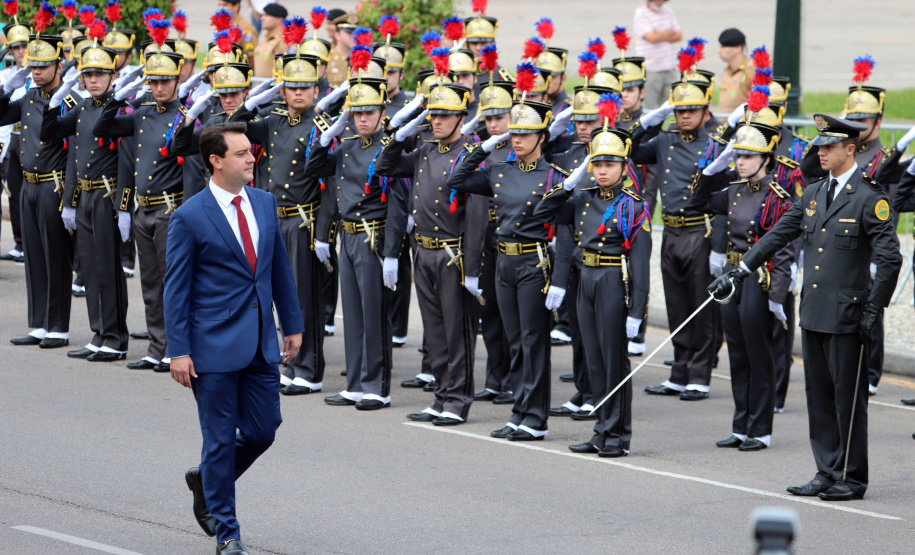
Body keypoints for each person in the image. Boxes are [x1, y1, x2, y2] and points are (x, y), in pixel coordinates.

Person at [711, 114, 901, 501]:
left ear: (851, 148)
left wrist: (872, 311)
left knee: (848, 399)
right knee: (819, 396)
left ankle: (851, 476)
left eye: (829, 146)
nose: (822, 152)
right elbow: (779, 233)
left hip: (849, 314)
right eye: (820, 146)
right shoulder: (814, 192)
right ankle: (826, 470)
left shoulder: (870, 198)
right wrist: (741, 270)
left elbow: (890, 260)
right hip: (814, 311)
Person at [165, 122, 303, 555]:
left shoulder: (263, 202)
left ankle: (205, 478)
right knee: (221, 439)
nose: (252, 159)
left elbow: (278, 268)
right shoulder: (189, 217)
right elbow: (176, 289)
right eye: (242, 153)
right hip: (212, 347)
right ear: (216, 160)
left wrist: (293, 324)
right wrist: (179, 351)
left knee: (264, 431)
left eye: (252, 152)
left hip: (261, 340)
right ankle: (228, 534)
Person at [534, 106, 652, 457]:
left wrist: (638, 312)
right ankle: (601, 430)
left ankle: (617, 436)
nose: (601, 171)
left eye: (609, 165)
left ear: (623, 166)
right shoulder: (582, 198)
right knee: (594, 360)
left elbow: (641, 263)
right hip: (584, 278)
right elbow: (542, 212)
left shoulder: (633, 206)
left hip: (614, 280)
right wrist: (570, 182)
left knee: (614, 360)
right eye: (596, 164)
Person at [448, 92, 565, 440]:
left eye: (525, 133)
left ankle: (535, 418)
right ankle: (519, 410)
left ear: (542, 137)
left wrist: (559, 280)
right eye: (513, 133)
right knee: (515, 340)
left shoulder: (553, 176)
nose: (517, 139)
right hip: (503, 261)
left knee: (533, 340)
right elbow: (457, 179)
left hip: (533, 261)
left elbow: (569, 230)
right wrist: (485, 146)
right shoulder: (500, 171)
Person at [378, 83, 487, 426]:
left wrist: (472, 269)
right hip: (422, 251)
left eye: (444, 115)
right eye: (433, 115)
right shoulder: (425, 149)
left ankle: (457, 400)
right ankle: (440, 396)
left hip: (452, 256)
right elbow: (385, 166)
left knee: (458, 333)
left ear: (461, 118)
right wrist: (398, 136)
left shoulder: (470, 155)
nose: (436, 121)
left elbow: (477, 216)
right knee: (435, 331)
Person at [225, 53, 328, 396]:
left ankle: (310, 368)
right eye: (291, 87)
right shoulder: (273, 120)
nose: (298, 93)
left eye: (305, 87)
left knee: (301, 297)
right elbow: (234, 125)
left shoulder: (322, 125)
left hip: (300, 221)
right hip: (271, 221)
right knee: (274, 297)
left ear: (316, 90)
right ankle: (289, 362)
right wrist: (255, 101)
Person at [691, 121, 798, 451]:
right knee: (736, 352)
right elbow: (695, 202)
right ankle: (741, 425)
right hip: (731, 275)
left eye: (749, 156)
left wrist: (778, 293)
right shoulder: (733, 191)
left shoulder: (777, 197)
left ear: (767, 160)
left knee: (758, 353)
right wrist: (716, 164)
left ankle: (761, 428)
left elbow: (784, 248)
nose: (741, 162)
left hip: (758, 278)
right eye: (738, 156)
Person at [306, 76, 409, 409]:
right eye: (357, 113)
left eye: (369, 112)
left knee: (373, 312)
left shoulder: (388, 148)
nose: (362, 119)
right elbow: (315, 169)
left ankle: (377, 386)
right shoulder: (347, 144)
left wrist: (392, 252)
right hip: (347, 236)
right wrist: (328, 136)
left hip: (373, 237)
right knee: (351, 312)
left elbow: (397, 204)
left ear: (382, 113)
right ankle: (354, 383)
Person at [93, 47, 188, 372]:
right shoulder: (142, 113)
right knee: (149, 282)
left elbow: (191, 171)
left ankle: (175, 349)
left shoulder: (185, 117)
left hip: (170, 210)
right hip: (142, 210)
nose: (158, 88)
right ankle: (157, 345)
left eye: (165, 81)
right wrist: (117, 98)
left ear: (177, 81)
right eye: (153, 81)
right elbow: (102, 129)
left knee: (172, 283)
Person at [632, 70, 721, 400]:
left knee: (701, 307)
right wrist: (650, 121)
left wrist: (720, 248)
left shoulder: (715, 146)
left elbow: (725, 197)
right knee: (677, 306)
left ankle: (699, 375)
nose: (684, 116)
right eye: (679, 110)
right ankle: (678, 372)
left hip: (701, 232)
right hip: (670, 231)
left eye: (691, 110)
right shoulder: (665, 140)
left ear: (704, 111)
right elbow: (629, 148)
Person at [40, 40, 130, 362]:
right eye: (88, 74)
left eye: (100, 74)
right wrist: (53, 101)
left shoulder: (120, 109)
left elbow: (127, 162)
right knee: (90, 268)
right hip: (86, 195)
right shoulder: (82, 107)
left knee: (108, 267)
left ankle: (116, 337)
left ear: (111, 77)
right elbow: (49, 134)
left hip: (107, 196)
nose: (93, 80)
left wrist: (123, 206)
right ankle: (99, 333)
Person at [0, 32, 76, 349]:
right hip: (28, 186)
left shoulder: (69, 102)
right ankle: (39, 324)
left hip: (53, 186)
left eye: (43, 66)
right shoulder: (29, 97)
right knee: (33, 257)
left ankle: (58, 326)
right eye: (33, 66)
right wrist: (4, 90)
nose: (36, 72)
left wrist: (70, 199)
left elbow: (75, 153)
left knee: (55, 256)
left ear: (58, 66)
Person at [468, 78, 515, 406]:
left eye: (501, 117)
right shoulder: (482, 149)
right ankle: (495, 379)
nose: (494, 124)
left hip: (513, 237)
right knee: (491, 313)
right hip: (485, 238)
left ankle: (515, 380)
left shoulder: (522, 147)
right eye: (489, 118)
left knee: (515, 316)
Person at [0, 14, 30, 263]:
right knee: (14, 191)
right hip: (12, 138)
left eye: (24, 46)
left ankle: (34, 243)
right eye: (16, 47)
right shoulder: (6, 75)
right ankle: (19, 243)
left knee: (36, 193)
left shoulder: (41, 73)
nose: (20, 51)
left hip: (35, 138)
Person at [633, 0, 682, 109]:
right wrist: (669, 32)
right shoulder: (641, 13)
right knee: (647, 107)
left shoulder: (668, 10)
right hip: (650, 68)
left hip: (669, 67)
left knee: (671, 107)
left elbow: (679, 36)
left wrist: (659, 34)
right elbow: (652, 38)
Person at [716, 28, 754, 113]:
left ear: (737, 48)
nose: (719, 51)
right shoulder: (726, 71)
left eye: (723, 46)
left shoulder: (751, 69)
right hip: (726, 125)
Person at [252, 3, 288, 78]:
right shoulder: (264, 41)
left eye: (267, 15)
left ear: (279, 19)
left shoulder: (283, 41)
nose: (262, 18)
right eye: (262, 15)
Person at [327, 12, 357, 88]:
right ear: (337, 35)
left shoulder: (361, 59)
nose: (353, 36)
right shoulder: (327, 58)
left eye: (355, 32)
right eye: (349, 32)